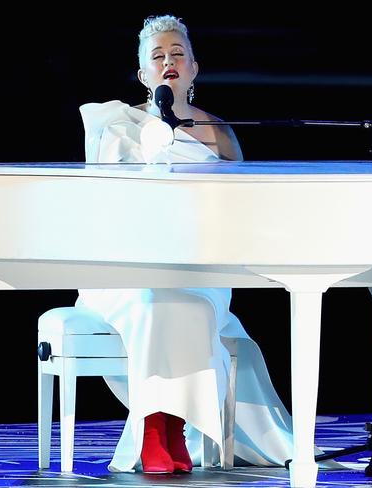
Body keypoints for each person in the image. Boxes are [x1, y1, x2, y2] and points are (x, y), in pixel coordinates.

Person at [77, 15, 328, 475]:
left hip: (199, 267)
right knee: (156, 299)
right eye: (157, 57)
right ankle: (159, 432)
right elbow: (105, 206)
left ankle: (171, 430)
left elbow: (239, 208)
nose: (168, 62)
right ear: (142, 75)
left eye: (177, 54)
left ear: (194, 68)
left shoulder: (219, 132)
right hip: (124, 270)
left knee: (182, 299)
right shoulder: (117, 127)